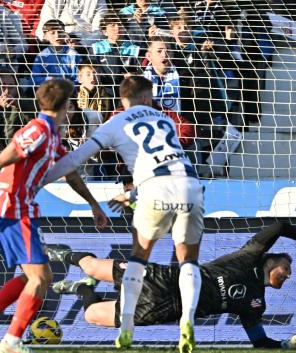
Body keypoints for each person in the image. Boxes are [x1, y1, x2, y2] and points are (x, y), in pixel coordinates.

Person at [39, 76, 204, 353]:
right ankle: (187, 322)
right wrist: (130, 195)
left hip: (154, 191)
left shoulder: (116, 122)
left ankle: (126, 329)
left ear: (123, 99)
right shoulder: (166, 121)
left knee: (138, 260)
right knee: (189, 262)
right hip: (190, 187)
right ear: (144, 97)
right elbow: (166, 164)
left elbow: (77, 158)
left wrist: (37, 181)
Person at [0, 79, 108, 353]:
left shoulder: (53, 134)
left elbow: (70, 172)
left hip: (20, 209)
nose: (73, 107)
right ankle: (10, 341)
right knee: (41, 278)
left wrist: (93, 203)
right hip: (11, 208)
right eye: (71, 102)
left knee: (35, 275)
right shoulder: (37, 131)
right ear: (65, 105)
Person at [48, 222, 296, 349]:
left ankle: (81, 289)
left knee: (91, 315)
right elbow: (279, 227)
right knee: (93, 266)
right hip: (164, 279)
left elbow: (259, 342)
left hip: (166, 308)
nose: (288, 275)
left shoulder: (256, 303)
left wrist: (286, 345)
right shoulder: (248, 256)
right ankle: (63, 255)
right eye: (286, 268)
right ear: (271, 260)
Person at [31, 19, 81, 86]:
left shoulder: (73, 55)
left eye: (60, 32)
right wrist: (49, 80)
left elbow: (79, 78)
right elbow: (34, 79)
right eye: (52, 33)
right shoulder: (42, 56)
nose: (57, 36)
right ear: (45, 36)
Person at [35, 0, 108, 43]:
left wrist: (82, 44)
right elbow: (48, 21)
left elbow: (98, 29)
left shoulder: (99, 1)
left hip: (83, 37)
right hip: (56, 34)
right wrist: (61, 36)